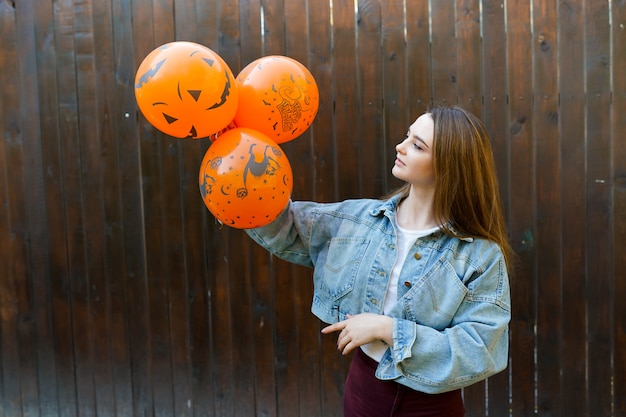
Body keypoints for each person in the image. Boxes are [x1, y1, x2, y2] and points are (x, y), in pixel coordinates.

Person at [245, 105, 513, 417]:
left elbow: (480, 349)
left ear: (448, 165)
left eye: (417, 145)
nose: (400, 146)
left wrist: (388, 329)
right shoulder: (358, 220)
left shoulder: (479, 255)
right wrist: (242, 162)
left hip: (431, 406)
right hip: (363, 391)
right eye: (407, 136)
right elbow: (286, 227)